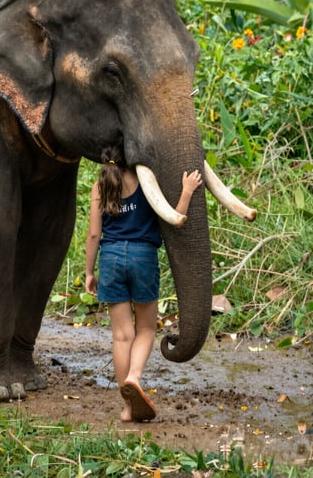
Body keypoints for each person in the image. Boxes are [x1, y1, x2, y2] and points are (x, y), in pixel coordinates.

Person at [85, 146, 202, 423]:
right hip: (143, 258)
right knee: (146, 328)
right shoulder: (147, 180)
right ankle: (135, 378)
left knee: (122, 335)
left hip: (111, 259)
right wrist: (186, 190)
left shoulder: (99, 186)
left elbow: (92, 235)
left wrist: (89, 272)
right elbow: (174, 218)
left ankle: (127, 407)